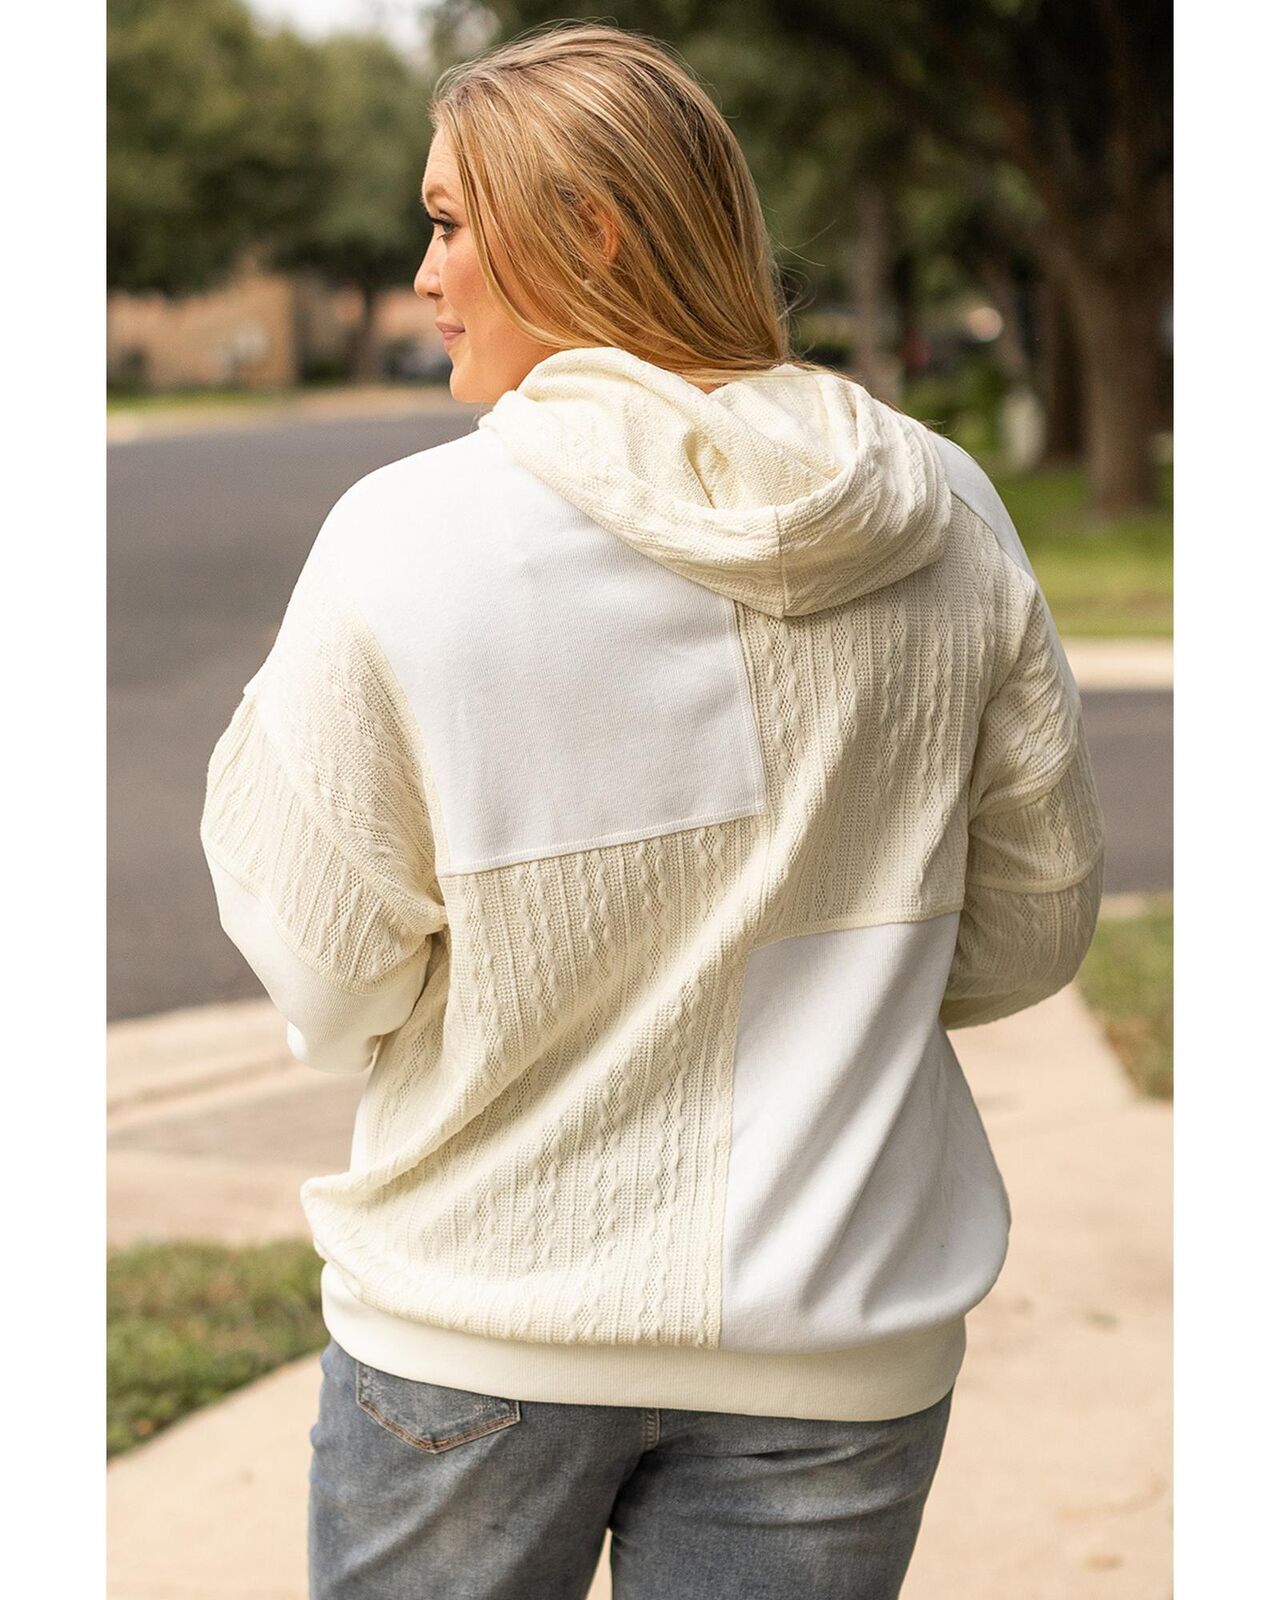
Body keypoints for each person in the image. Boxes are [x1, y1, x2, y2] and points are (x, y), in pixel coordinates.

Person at [199, 20, 1104, 1600]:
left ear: (593, 229)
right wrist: (824, 991)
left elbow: (330, 982)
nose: (424, 274)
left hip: (480, 1326)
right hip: (836, 1337)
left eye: (451, 221)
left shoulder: (409, 540)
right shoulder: (947, 511)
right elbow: (1030, 930)